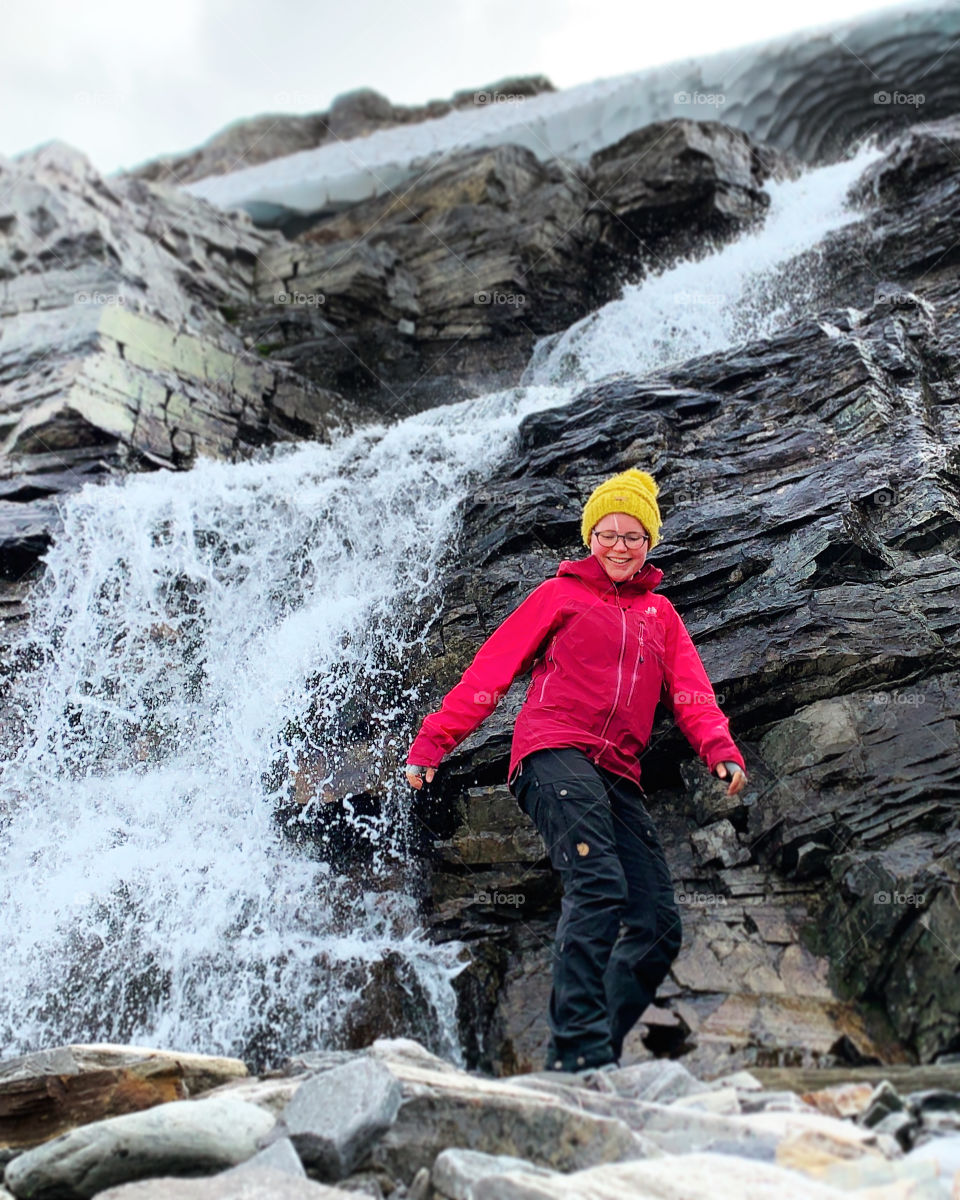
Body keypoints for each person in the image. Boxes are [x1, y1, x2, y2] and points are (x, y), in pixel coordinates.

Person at [405, 468, 748, 1074]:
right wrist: (433, 743)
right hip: (551, 753)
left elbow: (692, 693)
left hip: (617, 772)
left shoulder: (660, 616)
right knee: (597, 883)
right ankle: (577, 1053)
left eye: (633, 536)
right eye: (608, 533)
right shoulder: (558, 596)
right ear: (590, 538)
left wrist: (718, 748)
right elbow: (490, 675)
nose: (619, 546)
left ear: (650, 544)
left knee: (657, 924)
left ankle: (594, 1055)